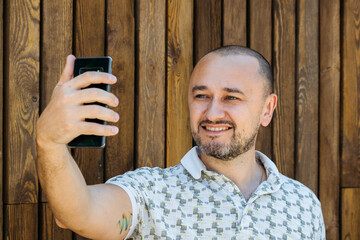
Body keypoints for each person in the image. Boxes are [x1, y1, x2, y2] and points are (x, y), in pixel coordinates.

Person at [36, 46, 325, 239]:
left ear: (267, 109)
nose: (212, 113)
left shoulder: (303, 203)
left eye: (231, 98)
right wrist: (49, 142)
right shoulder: (152, 192)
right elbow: (80, 212)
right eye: (202, 96)